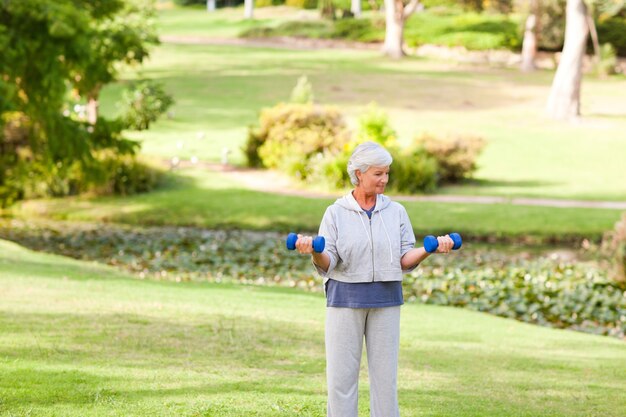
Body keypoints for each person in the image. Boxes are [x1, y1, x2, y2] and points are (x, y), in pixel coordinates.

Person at [294, 141, 454, 417]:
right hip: (345, 300)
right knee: (341, 380)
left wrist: (428, 250)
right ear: (359, 174)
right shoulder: (335, 213)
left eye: (387, 173)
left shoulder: (396, 212)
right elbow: (327, 262)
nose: (385, 180)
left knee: (385, 381)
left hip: (386, 301)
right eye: (378, 174)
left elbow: (404, 259)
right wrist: (315, 252)